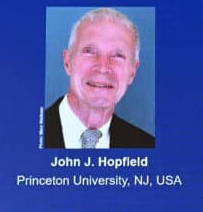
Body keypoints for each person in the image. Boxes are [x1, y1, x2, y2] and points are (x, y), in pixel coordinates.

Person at [44, 8, 154, 148]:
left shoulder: (146, 145)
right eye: (89, 52)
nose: (102, 67)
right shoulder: (26, 133)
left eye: (117, 55)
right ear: (68, 62)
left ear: (132, 72)